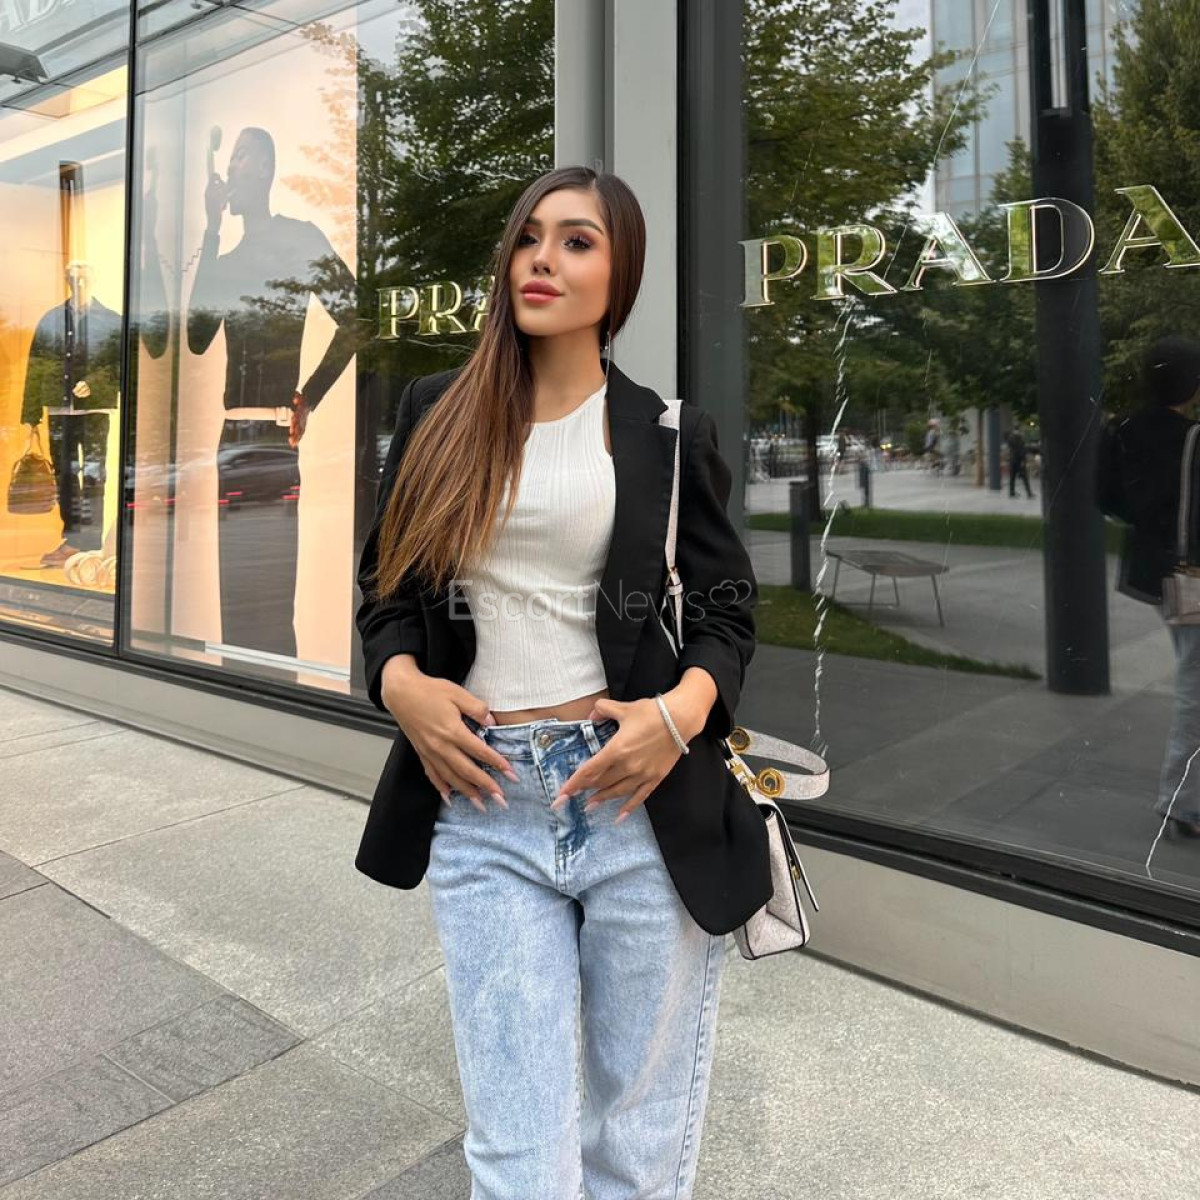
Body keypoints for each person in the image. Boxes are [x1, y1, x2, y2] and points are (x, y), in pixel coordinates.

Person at [353, 166, 767, 1199]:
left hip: (637, 798)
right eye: (530, 237)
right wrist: (400, 682)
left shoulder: (667, 431)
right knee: (519, 1157)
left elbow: (726, 612)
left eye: (578, 241)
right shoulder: (438, 410)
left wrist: (679, 715)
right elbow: (385, 587)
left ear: (620, 275)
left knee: (635, 1147)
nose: (542, 259)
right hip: (485, 796)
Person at [1098, 335, 1200, 838]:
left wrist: (1149, 526)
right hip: (1191, 577)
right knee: (1195, 685)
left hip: (1156, 573)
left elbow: (1105, 497)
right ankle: (1184, 802)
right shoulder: (1193, 438)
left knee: (1192, 674)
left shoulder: (1122, 430)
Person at [1006, 426, 1033, 498]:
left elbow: (1010, 448)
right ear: (1019, 430)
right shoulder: (1020, 438)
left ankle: (1011, 492)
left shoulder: (1010, 438)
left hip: (1012, 460)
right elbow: (1022, 450)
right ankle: (1029, 493)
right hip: (1019, 460)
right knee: (1025, 477)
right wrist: (1023, 460)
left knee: (1012, 477)